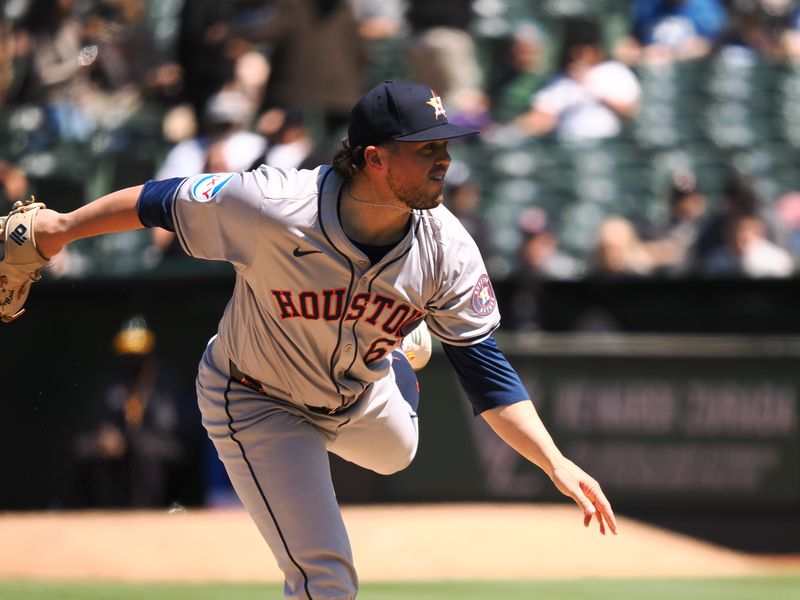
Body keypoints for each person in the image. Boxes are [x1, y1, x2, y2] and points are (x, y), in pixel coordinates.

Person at [4, 81, 616, 599]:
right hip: (256, 399)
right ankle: (401, 344)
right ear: (374, 158)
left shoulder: (447, 248)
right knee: (326, 576)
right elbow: (160, 201)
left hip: (361, 399)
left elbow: (486, 373)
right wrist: (58, 230)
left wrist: (554, 461)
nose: (444, 159)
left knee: (397, 453)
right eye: (426, 147)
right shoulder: (273, 204)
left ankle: (400, 348)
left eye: (445, 146)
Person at [515, 18, 641, 142]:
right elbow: (542, 116)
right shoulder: (561, 80)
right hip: (566, 146)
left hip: (607, 144)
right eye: (573, 51)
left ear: (597, 51)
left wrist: (592, 88)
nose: (577, 56)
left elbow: (629, 112)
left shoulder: (614, 72)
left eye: (582, 51)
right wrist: (515, 130)